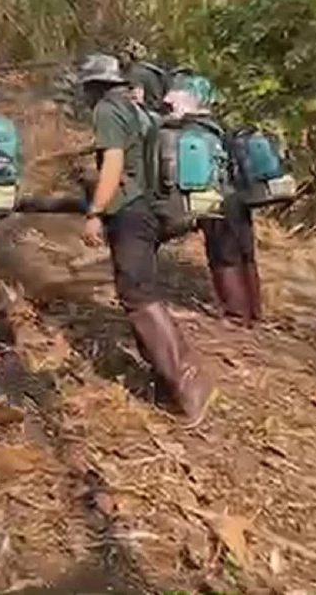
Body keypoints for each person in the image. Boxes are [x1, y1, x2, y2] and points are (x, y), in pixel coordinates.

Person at [78, 53, 215, 427]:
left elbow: (114, 165)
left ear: (94, 87)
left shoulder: (108, 110)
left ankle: (189, 384)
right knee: (138, 291)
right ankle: (165, 383)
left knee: (138, 295)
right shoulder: (136, 108)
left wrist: (95, 212)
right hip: (150, 211)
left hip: (129, 211)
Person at [148, 67, 264, 325]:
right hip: (238, 198)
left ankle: (235, 315)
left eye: (173, 100)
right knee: (245, 253)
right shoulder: (221, 127)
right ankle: (254, 313)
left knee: (223, 256)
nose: (168, 105)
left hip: (212, 198)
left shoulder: (181, 129)